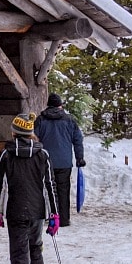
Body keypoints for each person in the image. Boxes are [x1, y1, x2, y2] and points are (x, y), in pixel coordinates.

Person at [0, 112, 59, 264]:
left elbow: (0, 185)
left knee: (20, 254)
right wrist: (53, 214)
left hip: (15, 211)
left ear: (14, 133)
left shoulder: (7, 154)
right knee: (35, 246)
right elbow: (49, 186)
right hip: (37, 212)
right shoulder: (43, 155)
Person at [33, 93, 85, 226]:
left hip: (45, 161)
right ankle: (64, 219)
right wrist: (80, 158)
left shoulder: (40, 120)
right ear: (60, 105)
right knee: (63, 190)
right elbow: (77, 140)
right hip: (64, 162)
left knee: (48, 189)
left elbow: (33, 139)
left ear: (48, 105)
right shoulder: (69, 120)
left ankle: (50, 217)